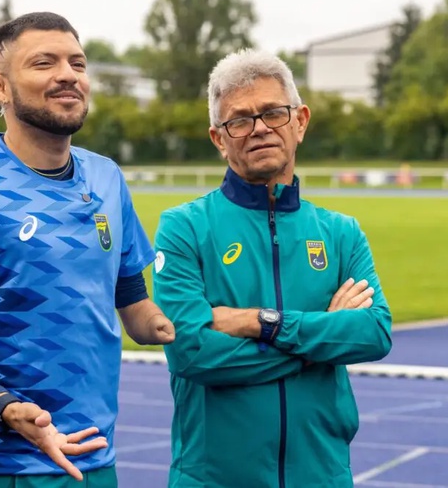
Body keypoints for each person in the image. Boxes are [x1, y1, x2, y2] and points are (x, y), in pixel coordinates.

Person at [0, 11, 175, 488]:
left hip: (94, 458)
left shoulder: (107, 177)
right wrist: (5, 408)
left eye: (78, 63)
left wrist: (235, 320)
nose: (68, 75)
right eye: (44, 63)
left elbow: (136, 308)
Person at [151, 48, 392, 487]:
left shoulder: (341, 233)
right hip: (213, 479)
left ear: (300, 121)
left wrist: (262, 324)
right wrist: (319, 342)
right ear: (218, 139)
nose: (259, 128)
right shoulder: (184, 227)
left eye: (273, 113)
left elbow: (374, 333)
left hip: (323, 476)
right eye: (239, 120)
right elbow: (191, 353)